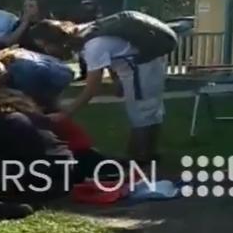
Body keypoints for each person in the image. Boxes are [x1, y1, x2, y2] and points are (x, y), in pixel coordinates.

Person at [30, 20, 166, 162]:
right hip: (138, 66)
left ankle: (139, 158)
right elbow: (115, 52)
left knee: (141, 113)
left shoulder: (92, 46)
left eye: (46, 45)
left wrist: (66, 113)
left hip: (142, 69)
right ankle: (146, 154)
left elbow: (92, 88)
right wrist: (117, 79)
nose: (46, 50)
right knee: (147, 112)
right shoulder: (84, 33)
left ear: (57, 40)